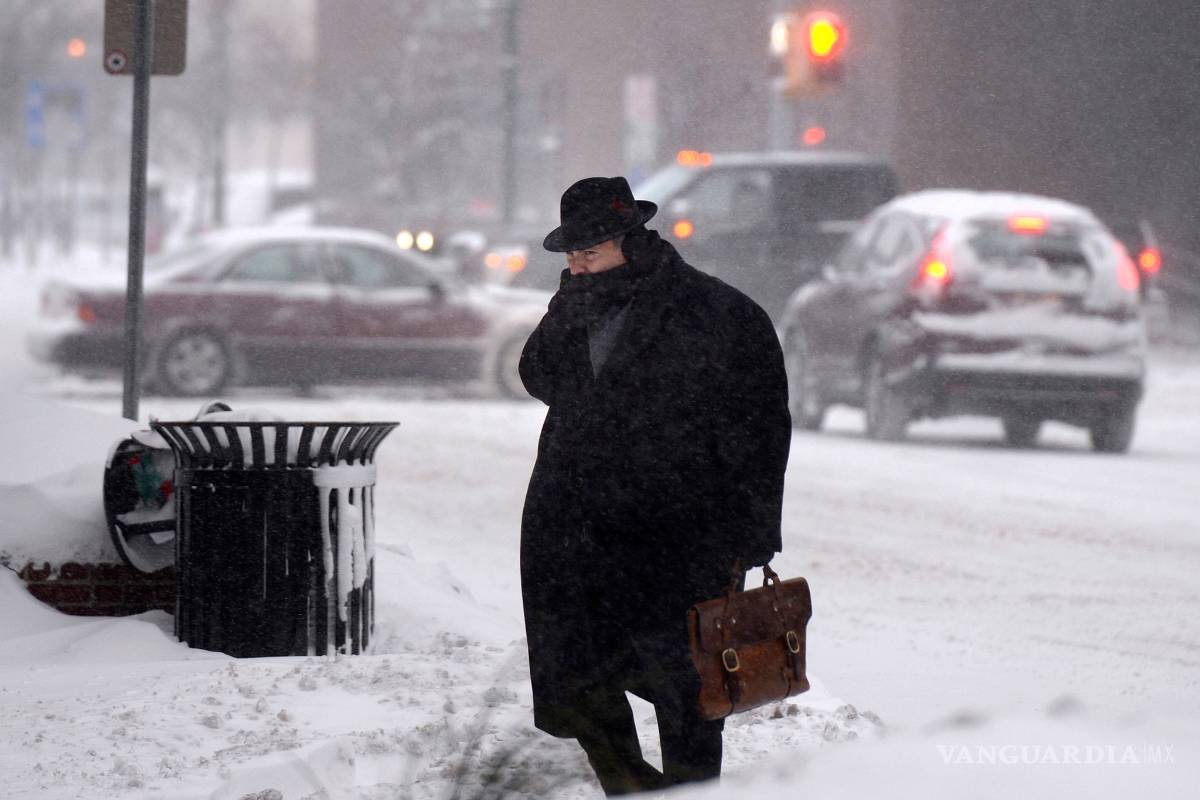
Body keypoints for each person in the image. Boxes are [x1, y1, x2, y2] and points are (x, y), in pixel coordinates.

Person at [518, 176, 791, 795]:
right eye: (571, 255)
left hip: (678, 536)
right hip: (574, 530)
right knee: (578, 681)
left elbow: (762, 429)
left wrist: (753, 532)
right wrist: (564, 314)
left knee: (687, 692)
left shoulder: (719, 313)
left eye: (589, 253)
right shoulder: (577, 303)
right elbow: (539, 378)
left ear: (630, 239)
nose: (577, 267)